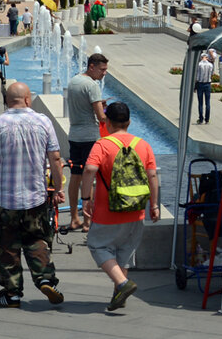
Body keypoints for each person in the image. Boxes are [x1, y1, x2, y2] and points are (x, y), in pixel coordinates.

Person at [0, 82, 65, 309]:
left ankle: (12, 293)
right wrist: (57, 188)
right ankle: (44, 278)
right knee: (37, 239)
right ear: (27, 99)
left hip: (5, 199)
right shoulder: (43, 121)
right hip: (36, 197)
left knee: (6, 246)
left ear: (7, 101)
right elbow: (55, 158)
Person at [81, 102, 160, 311]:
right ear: (129, 122)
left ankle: (124, 284)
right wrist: (154, 205)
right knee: (124, 254)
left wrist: (85, 197)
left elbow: (89, 169)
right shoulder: (143, 145)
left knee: (98, 246)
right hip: (136, 210)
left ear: (107, 122)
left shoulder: (102, 144)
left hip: (108, 211)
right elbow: (152, 175)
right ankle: (119, 296)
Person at [66, 53, 108, 232]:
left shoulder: (74, 81)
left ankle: (74, 217)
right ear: (91, 66)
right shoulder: (92, 85)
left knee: (75, 176)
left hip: (74, 134)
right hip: (89, 137)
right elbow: (101, 116)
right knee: (89, 179)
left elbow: (82, 105)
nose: (104, 73)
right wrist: (109, 112)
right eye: (102, 69)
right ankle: (87, 222)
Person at [195, 52, 213, 125]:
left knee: (200, 103)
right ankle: (207, 119)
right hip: (207, 84)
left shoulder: (199, 64)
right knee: (207, 102)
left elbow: (197, 75)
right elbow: (211, 74)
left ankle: (201, 119)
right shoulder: (210, 65)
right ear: (207, 57)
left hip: (200, 84)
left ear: (201, 57)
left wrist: (195, 86)